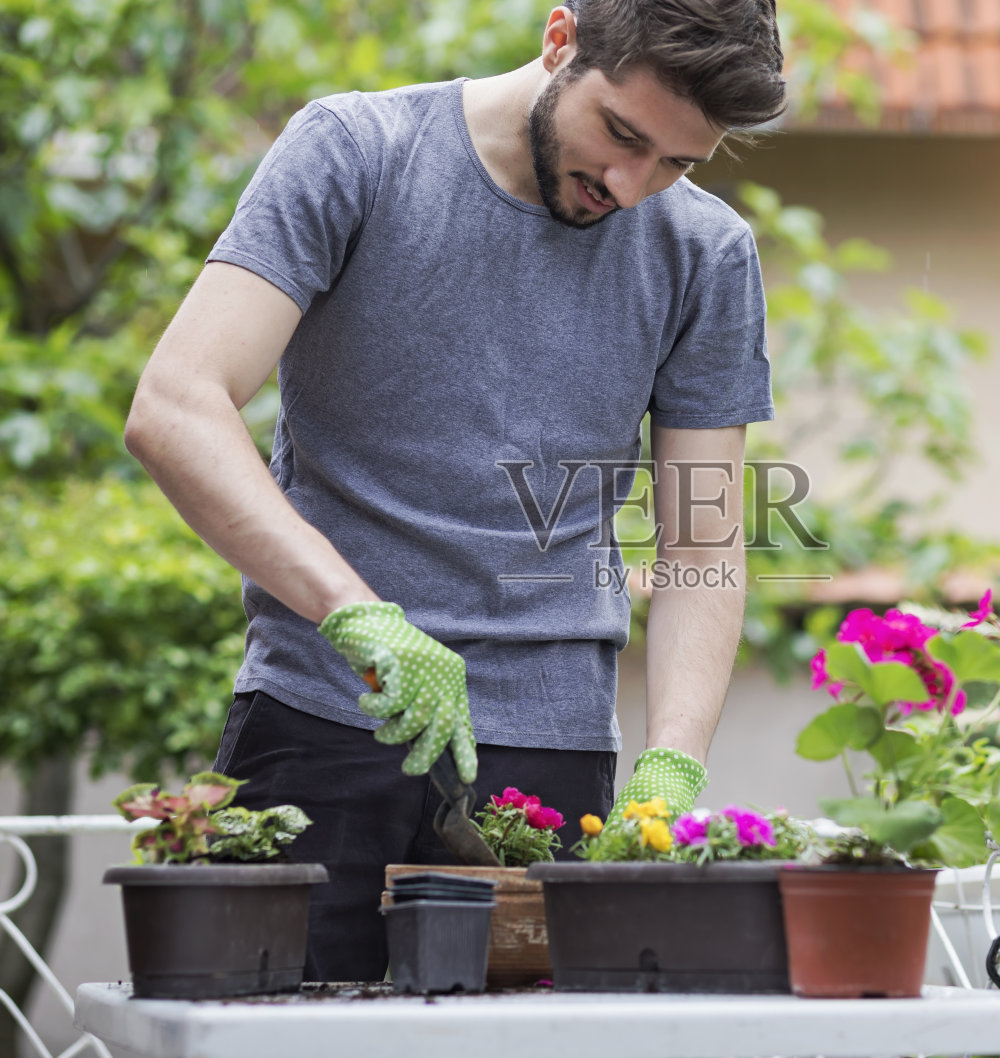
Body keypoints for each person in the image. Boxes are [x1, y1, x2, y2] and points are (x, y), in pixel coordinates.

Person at [123, 0, 785, 981]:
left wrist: (673, 762)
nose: (629, 185)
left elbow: (699, 542)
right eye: (621, 134)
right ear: (559, 40)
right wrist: (356, 612)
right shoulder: (357, 153)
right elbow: (177, 404)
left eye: (676, 164)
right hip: (327, 726)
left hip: (554, 764)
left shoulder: (705, 254)